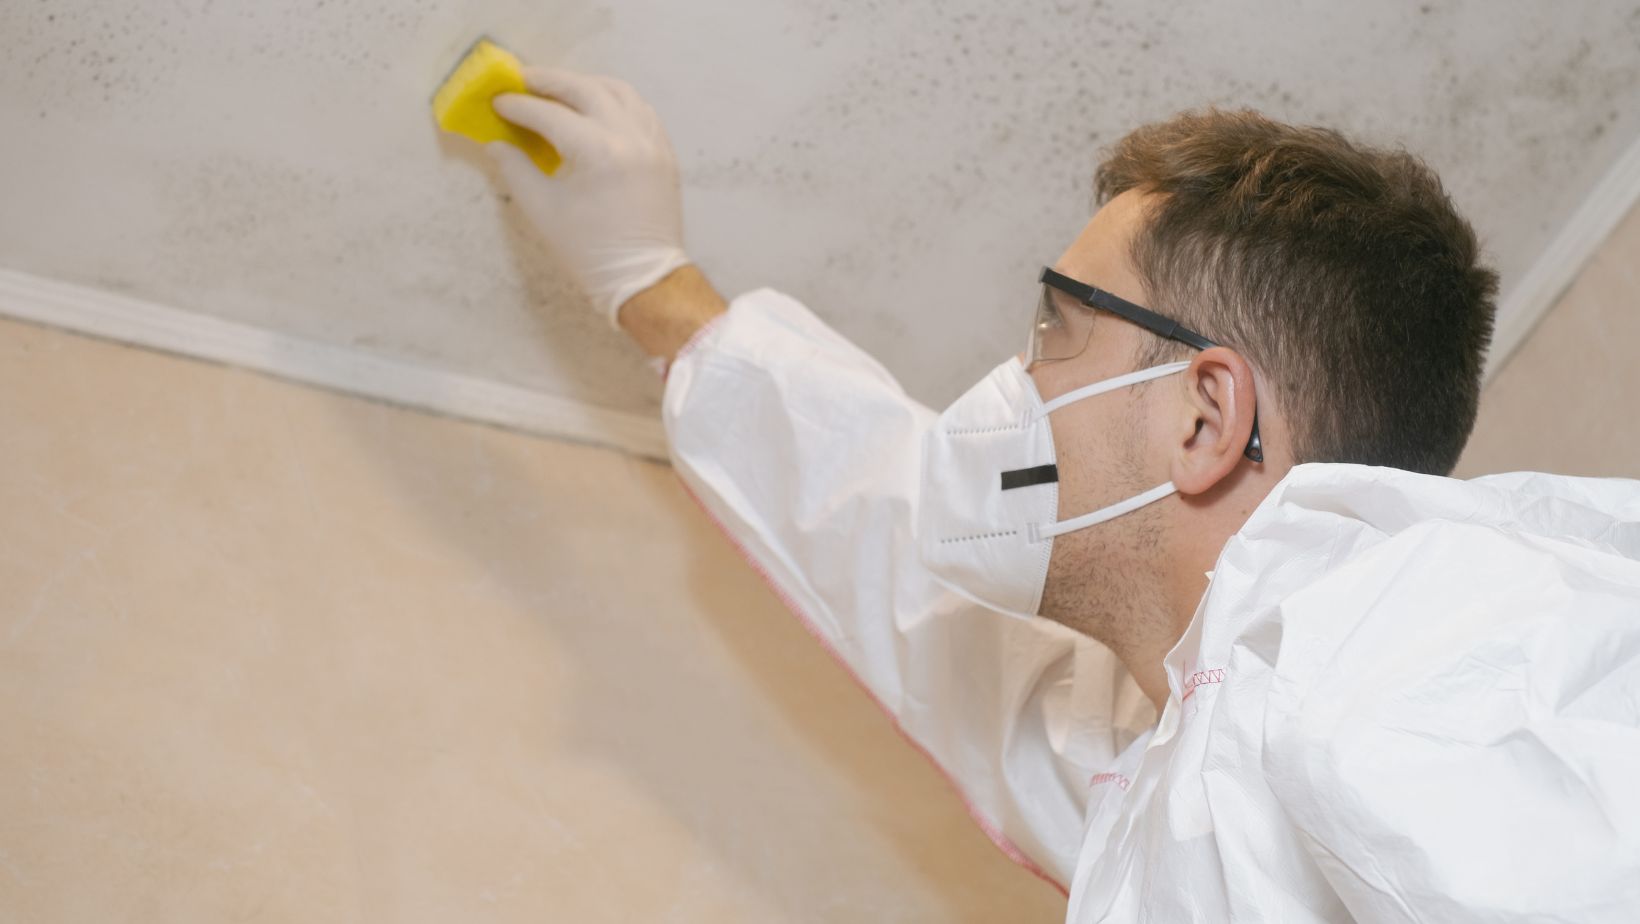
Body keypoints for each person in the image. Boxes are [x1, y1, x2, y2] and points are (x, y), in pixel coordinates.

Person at [481, 65, 1640, 922]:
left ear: (1202, 419)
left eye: (1057, 332)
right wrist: (654, 286)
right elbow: (913, 573)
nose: (1015, 383)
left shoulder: (1430, 653)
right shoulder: (1178, 762)